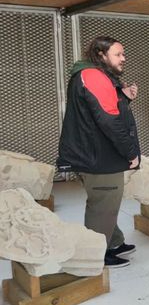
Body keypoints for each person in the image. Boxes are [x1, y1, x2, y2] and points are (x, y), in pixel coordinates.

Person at [57, 36, 140, 268]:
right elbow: (110, 123)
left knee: (105, 202)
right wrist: (131, 153)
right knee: (103, 203)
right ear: (101, 55)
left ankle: (114, 242)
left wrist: (124, 97)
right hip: (99, 157)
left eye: (123, 53)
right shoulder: (94, 76)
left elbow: (99, 110)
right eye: (118, 54)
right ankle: (96, 254)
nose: (123, 58)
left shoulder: (90, 75)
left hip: (93, 153)